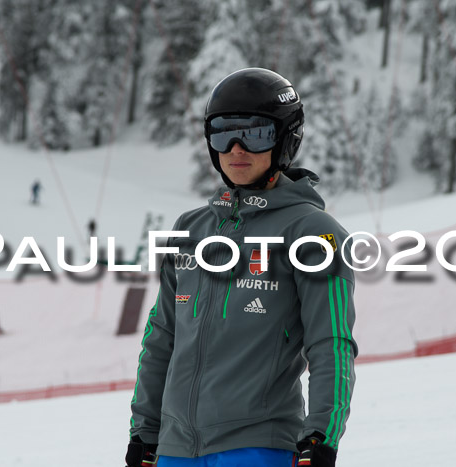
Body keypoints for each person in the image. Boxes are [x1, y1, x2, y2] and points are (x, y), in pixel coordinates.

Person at [125, 68, 357, 467]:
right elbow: (162, 336)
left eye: (255, 133)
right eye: (222, 134)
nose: (236, 148)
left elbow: (331, 343)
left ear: (285, 138)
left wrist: (321, 435)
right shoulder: (190, 229)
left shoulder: (313, 232)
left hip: (258, 447)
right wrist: (145, 430)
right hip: (175, 450)